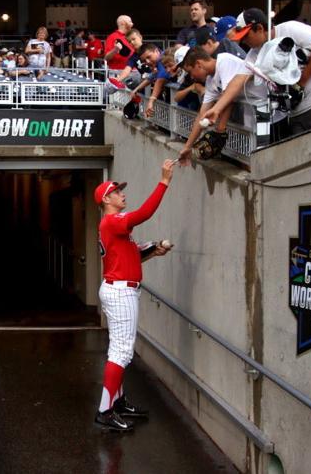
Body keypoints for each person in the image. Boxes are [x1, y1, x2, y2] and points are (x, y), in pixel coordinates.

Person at [94, 160, 176, 432]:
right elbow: (143, 213)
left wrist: (153, 250)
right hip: (120, 290)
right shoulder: (111, 221)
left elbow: (133, 254)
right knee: (122, 351)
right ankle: (105, 410)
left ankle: (117, 402)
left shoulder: (115, 226)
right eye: (117, 191)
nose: (122, 194)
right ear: (107, 198)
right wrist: (163, 181)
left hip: (120, 288)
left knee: (119, 350)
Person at [229, 8, 311, 135]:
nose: (244, 42)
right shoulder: (255, 53)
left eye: (246, 36)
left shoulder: (290, 29)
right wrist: (216, 110)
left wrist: (300, 84)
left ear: (259, 28)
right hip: (297, 109)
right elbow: (239, 79)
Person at [176, 46, 266, 164]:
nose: (192, 77)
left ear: (198, 64)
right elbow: (201, 115)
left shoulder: (224, 61)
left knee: (264, 157)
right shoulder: (210, 81)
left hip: (268, 108)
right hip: (253, 113)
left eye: (190, 72)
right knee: (252, 158)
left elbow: (228, 98)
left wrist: (220, 131)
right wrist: (187, 146)